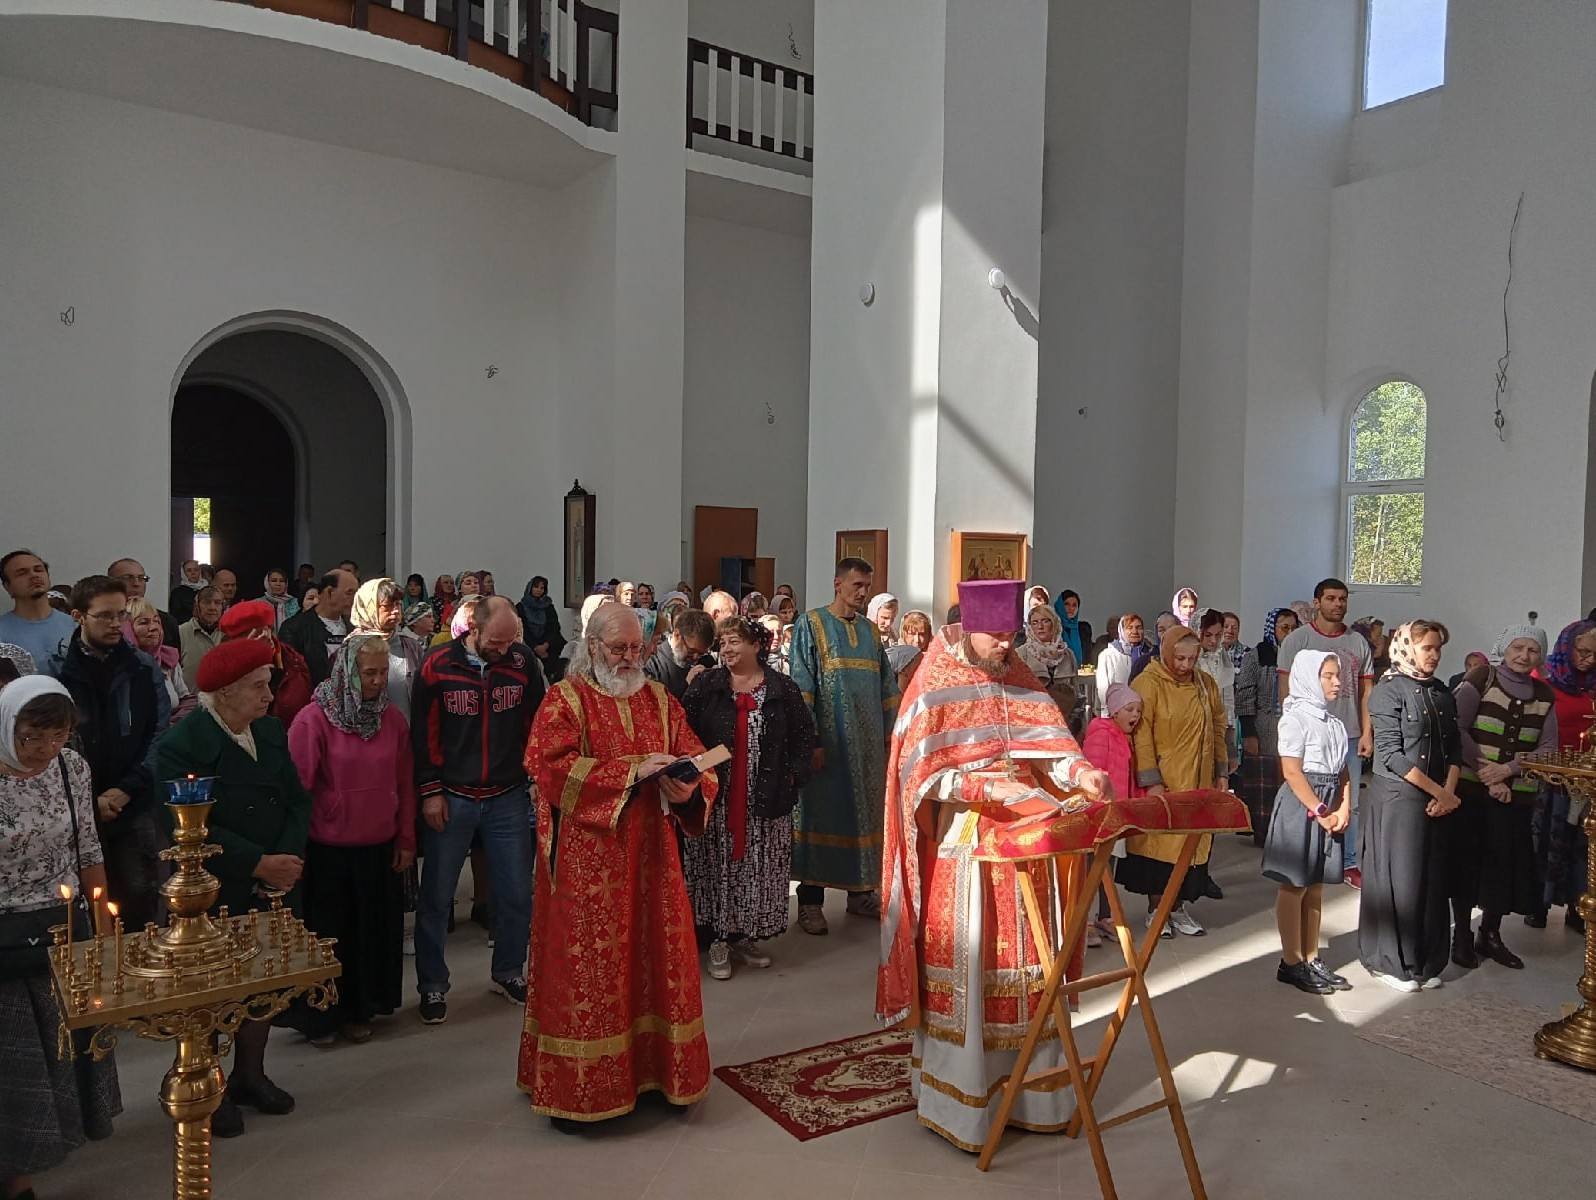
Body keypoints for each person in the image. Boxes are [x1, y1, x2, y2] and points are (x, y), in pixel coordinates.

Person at [877, 579, 1110, 1152]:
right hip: (966, 844)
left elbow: (1051, 746)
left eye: (1011, 635)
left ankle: (1034, 1095)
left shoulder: (1017, 675)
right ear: (968, 626)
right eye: (996, 636)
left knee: (1033, 962)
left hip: (1030, 846)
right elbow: (915, 775)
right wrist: (983, 785)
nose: (1005, 647)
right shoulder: (933, 684)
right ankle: (967, 1104)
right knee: (974, 960)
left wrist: (1082, 775)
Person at [519, 604, 718, 1126]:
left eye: (637, 648)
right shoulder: (566, 700)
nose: (630, 658)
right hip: (589, 868)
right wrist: (632, 770)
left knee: (655, 960)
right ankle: (582, 1090)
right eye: (618, 649)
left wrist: (687, 784)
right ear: (592, 647)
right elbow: (548, 766)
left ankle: (656, 1074)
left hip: (653, 860)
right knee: (593, 973)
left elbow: (694, 755)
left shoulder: (658, 699)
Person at [157, 637, 312, 1136]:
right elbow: (188, 828)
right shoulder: (184, 745)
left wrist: (286, 861)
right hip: (216, 888)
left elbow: (295, 800)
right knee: (213, 991)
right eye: (259, 686)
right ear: (224, 693)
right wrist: (259, 864)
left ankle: (251, 1074)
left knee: (265, 981)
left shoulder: (268, 730)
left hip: (274, 880)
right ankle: (210, 1079)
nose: (271, 696)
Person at [0, 677, 121, 1200]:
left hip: (63, 929)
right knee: (14, 1065)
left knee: (61, 1056)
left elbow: (87, 847)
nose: (47, 749)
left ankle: (47, 1148)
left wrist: (104, 925)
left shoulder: (71, 768)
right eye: (33, 737)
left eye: (59, 736)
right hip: (3, 937)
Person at [408, 596, 542, 1024]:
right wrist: (430, 792)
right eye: (496, 642)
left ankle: (508, 971)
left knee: (518, 894)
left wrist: (536, 778)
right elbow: (422, 733)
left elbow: (536, 724)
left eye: (511, 641)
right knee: (437, 897)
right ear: (473, 630)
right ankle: (432, 985)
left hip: (508, 794)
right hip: (453, 796)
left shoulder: (521, 664)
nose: (504, 650)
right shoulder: (437, 664)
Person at [287, 635, 416, 1045]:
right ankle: (322, 1017)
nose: (378, 681)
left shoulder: (391, 719)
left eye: (383, 672)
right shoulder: (313, 720)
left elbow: (404, 782)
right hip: (327, 849)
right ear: (346, 673)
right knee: (330, 937)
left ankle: (363, 1009)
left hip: (378, 845)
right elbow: (298, 790)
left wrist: (406, 837)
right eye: (369, 673)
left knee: (371, 935)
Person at [681, 615, 815, 979]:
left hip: (765, 798)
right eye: (722, 643)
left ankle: (744, 935)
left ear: (756, 645)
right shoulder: (706, 685)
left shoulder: (781, 687)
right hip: (717, 799)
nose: (726, 648)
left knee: (756, 867)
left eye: (734, 641)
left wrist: (792, 777)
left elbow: (805, 735)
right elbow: (683, 734)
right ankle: (718, 940)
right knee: (719, 866)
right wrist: (702, 770)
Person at [789, 559, 900, 934]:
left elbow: (886, 686)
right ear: (838, 583)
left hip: (868, 749)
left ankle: (860, 894)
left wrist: (892, 735)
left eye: (867, 586)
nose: (862, 592)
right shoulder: (812, 624)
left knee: (864, 817)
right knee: (821, 815)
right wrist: (813, 740)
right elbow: (802, 685)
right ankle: (810, 902)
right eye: (856, 585)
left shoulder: (870, 631)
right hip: (829, 746)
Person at [58, 576, 166, 932]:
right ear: (78, 616)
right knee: (85, 908)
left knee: (140, 899)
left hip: (132, 801)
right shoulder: (58, 670)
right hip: (78, 808)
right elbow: (58, 744)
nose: (116, 624)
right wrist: (91, 799)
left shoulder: (142, 667)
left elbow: (159, 733)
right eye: (104, 616)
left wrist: (128, 788)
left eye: (121, 615)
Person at [1360, 620, 1462, 993]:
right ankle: (1391, 962)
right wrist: (1439, 792)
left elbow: (1454, 749)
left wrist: (1447, 793)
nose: (1434, 655)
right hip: (1400, 799)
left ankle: (1426, 960)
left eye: (1438, 649)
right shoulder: (1388, 692)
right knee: (1401, 882)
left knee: (1433, 882)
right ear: (1406, 648)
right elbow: (1390, 756)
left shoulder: (1441, 693)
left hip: (1438, 800)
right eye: (1427, 648)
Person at [1447, 622, 1555, 971]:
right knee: (1467, 862)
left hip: (1516, 796)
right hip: (1472, 790)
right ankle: (1461, 935)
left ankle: (1489, 934)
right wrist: (1486, 773)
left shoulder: (1544, 694)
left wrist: (1507, 771)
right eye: (1518, 648)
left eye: (1533, 650)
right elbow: (1456, 727)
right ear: (1504, 649)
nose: (1524, 655)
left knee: (1503, 866)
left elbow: (1550, 746)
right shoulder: (1482, 678)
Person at [1123, 623, 1227, 937]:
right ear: (1167, 653)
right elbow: (1141, 736)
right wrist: (1152, 780)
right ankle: (1157, 910)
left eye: (1191, 659)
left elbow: (1219, 728)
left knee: (1191, 847)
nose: (1184, 666)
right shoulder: (1148, 683)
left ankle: (1178, 908)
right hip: (1165, 782)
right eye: (1179, 658)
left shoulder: (1206, 684)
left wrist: (1221, 771)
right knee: (1161, 849)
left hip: (1199, 780)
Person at [1261, 651, 1352, 995]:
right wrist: (1321, 811)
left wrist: (1344, 807)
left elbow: (1343, 771)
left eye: (1336, 676)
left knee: (1315, 885)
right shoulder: (1295, 719)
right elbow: (1292, 772)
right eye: (1327, 676)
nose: (1336, 682)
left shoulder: (1335, 723)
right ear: (1308, 679)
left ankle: (1312, 956)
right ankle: (1291, 960)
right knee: (1294, 884)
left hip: (1328, 802)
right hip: (1304, 805)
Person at [1277, 578, 1374, 888]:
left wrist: (1367, 732)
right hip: (1307, 732)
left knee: (1351, 801)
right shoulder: (1298, 640)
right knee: (1305, 793)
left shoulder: (1358, 643)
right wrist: (1289, 726)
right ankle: (1301, 854)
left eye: (1343, 598)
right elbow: (1285, 687)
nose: (1338, 604)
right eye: (1331, 598)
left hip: (1347, 731)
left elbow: (1365, 690)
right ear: (1316, 602)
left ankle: (1347, 861)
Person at [1529, 620, 1596, 931]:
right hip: (1554, 777)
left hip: (1588, 778)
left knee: (1582, 847)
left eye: (1594, 654)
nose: (1589, 659)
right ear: (1567, 649)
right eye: (1582, 652)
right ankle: (1538, 905)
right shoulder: (1546, 684)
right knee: (1548, 842)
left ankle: (1576, 907)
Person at [1235, 608, 1299, 842]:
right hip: (1264, 727)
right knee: (1264, 787)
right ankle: (1263, 833)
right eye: (1284, 628)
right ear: (1272, 629)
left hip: (1292, 728)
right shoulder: (1256, 656)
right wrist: (1249, 733)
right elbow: (1244, 696)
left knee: (1289, 781)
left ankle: (1285, 833)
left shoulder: (1298, 655)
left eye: (1294, 628)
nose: (1290, 633)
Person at [219, 600, 315, 729]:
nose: (266, 637)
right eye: (256, 633)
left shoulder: (294, 661)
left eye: (268, 629)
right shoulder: (224, 667)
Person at [348, 577, 427, 721]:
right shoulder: (350, 650)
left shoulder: (412, 647)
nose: (396, 611)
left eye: (398, 604)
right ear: (369, 608)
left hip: (405, 736)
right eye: (388, 606)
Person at [0, 550, 79, 678]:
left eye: (38, 570)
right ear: (8, 586)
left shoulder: (75, 625)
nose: (33, 576)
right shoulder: (2, 632)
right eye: (22, 573)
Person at [278, 569, 358, 687]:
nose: (354, 599)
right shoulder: (294, 628)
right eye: (349, 593)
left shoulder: (355, 628)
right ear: (330, 592)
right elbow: (290, 676)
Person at [127, 596, 197, 724]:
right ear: (128, 630)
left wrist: (173, 725)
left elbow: (187, 699)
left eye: (157, 621)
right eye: (144, 622)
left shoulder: (168, 659)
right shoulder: (121, 666)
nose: (154, 628)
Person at [1015, 603, 1079, 722]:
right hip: (1033, 720)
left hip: (1064, 722)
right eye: (1035, 623)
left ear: (1054, 624)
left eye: (1045, 621)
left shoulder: (1067, 654)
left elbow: (1076, 693)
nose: (1040, 626)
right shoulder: (1021, 654)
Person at [108, 558, 179, 648]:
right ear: (110, 583)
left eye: (142, 578)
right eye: (127, 578)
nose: (136, 584)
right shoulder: (104, 620)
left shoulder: (167, 622)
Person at [517, 576, 567, 683]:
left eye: (542, 588)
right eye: (536, 587)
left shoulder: (548, 606)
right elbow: (523, 629)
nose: (539, 590)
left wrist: (545, 645)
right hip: (529, 646)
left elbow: (554, 628)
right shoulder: (520, 607)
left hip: (550, 646)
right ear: (530, 587)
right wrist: (536, 647)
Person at [178, 585, 226, 691]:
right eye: (207, 602)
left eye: (217, 603)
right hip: (190, 704)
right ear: (197, 605)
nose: (212, 607)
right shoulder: (180, 632)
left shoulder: (229, 633)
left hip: (223, 704)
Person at [1051, 589, 1092, 664]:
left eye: (1074, 605)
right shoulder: (1052, 628)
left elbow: (1087, 657)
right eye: (1066, 604)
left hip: (1080, 673)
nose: (1071, 608)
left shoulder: (1084, 629)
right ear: (1059, 605)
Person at [168, 558, 208, 624]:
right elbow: (176, 616)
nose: (193, 573)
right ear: (183, 573)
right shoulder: (177, 593)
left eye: (196, 570)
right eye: (189, 571)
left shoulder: (207, 590)